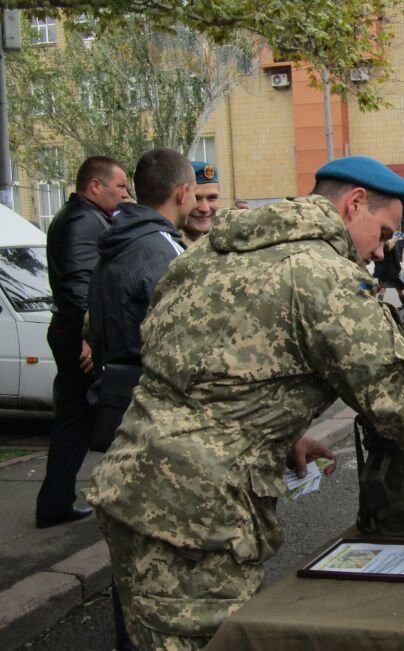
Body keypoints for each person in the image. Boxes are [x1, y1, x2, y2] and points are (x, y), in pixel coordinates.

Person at [85, 155, 404, 649]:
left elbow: (186, 369)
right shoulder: (323, 278)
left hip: (135, 487)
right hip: (197, 516)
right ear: (355, 204)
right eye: (385, 233)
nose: (379, 251)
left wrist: (271, 428)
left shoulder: (207, 254)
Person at [87, 148, 194, 651]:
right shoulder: (163, 252)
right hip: (155, 407)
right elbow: (189, 340)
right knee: (165, 543)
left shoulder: (115, 242)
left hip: (116, 398)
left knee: (132, 540)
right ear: (181, 193)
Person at [36, 156, 129, 529]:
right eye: (120, 186)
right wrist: (88, 337)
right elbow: (78, 288)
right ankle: (59, 504)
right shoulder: (81, 221)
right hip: (77, 338)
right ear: (95, 186)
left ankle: (55, 503)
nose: (125, 193)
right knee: (92, 418)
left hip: (72, 334)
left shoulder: (84, 217)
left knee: (75, 421)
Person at [180, 161, 220, 247]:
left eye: (212, 198)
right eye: (196, 198)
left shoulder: (222, 242)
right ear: (179, 196)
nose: (205, 209)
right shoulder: (168, 245)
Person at [373, 235, 404, 305]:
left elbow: (378, 258)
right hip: (393, 271)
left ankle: (380, 305)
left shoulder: (381, 245)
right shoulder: (393, 244)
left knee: (382, 290)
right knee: (399, 290)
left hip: (384, 270)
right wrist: (399, 268)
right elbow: (396, 259)